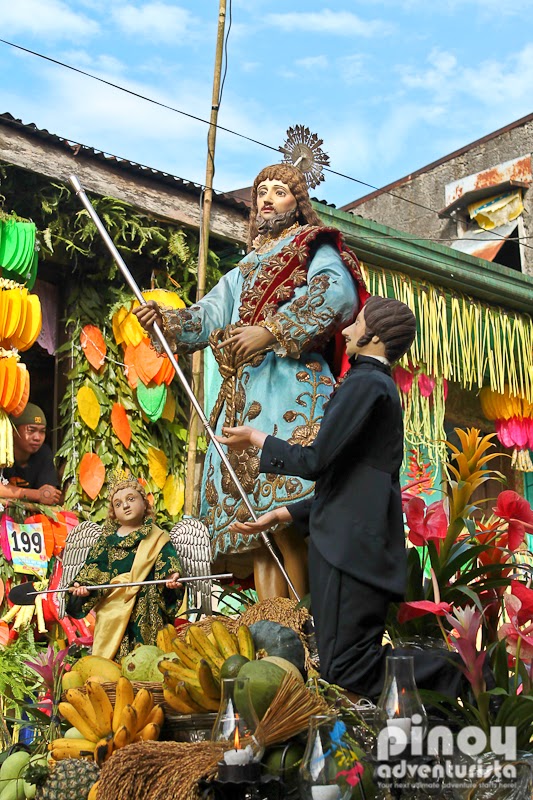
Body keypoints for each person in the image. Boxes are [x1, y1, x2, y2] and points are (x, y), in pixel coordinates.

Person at [134, 163, 368, 600]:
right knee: (254, 525)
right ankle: (270, 619)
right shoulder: (243, 270)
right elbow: (205, 317)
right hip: (245, 398)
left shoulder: (311, 246)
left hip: (290, 390)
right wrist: (163, 321)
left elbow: (337, 294)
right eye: (262, 191)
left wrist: (271, 330)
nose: (267, 198)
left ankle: (303, 620)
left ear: (299, 204)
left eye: (280, 191)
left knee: (285, 516)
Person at [217, 296, 463, 700]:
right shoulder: (376, 387)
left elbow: (315, 460)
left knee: (347, 666)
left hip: (351, 552)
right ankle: (451, 696)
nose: (346, 331)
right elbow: (352, 483)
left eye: (357, 323)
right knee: (341, 666)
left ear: (376, 337)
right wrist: (281, 513)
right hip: (354, 548)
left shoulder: (366, 383)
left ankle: (464, 677)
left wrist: (256, 437)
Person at [66, 474, 183, 660]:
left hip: (147, 607)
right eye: (118, 504)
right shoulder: (106, 541)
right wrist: (83, 586)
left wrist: (170, 577)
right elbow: (95, 566)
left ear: (144, 504)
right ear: (113, 512)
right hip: (113, 608)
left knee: (147, 656)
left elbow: (167, 559)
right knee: (113, 660)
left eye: (131, 499)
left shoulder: (157, 536)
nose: (125, 506)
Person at [0, 403, 62, 505]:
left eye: (42, 431)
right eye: (31, 430)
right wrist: (35, 494)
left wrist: (47, 494)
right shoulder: (2, 451)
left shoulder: (44, 452)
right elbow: (40, 495)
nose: (37, 437)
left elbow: (49, 494)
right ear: (13, 431)